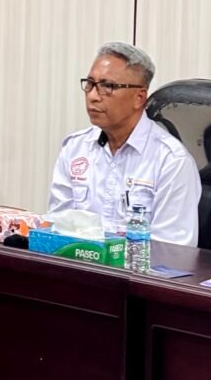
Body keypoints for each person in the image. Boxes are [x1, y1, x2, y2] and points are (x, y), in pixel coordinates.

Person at [48, 42, 200, 245]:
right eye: (90, 84)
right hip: (76, 262)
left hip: (139, 265)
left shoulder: (171, 162)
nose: (92, 96)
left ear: (139, 98)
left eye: (107, 86)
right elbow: (58, 226)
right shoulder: (75, 149)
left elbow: (172, 250)